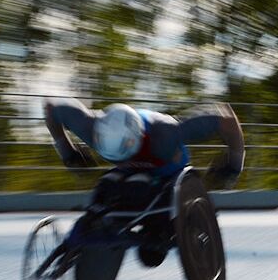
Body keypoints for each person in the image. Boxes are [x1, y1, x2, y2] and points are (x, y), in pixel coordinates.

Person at [44, 98, 245, 267]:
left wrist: (234, 164)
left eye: (124, 156)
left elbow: (226, 118)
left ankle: (159, 226)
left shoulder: (167, 134)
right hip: (129, 174)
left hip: (168, 171)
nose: (122, 160)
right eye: (116, 157)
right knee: (110, 187)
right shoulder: (91, 128)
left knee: (154, 240)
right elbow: (51, 108)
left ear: (137, 141)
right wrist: (67, 152)